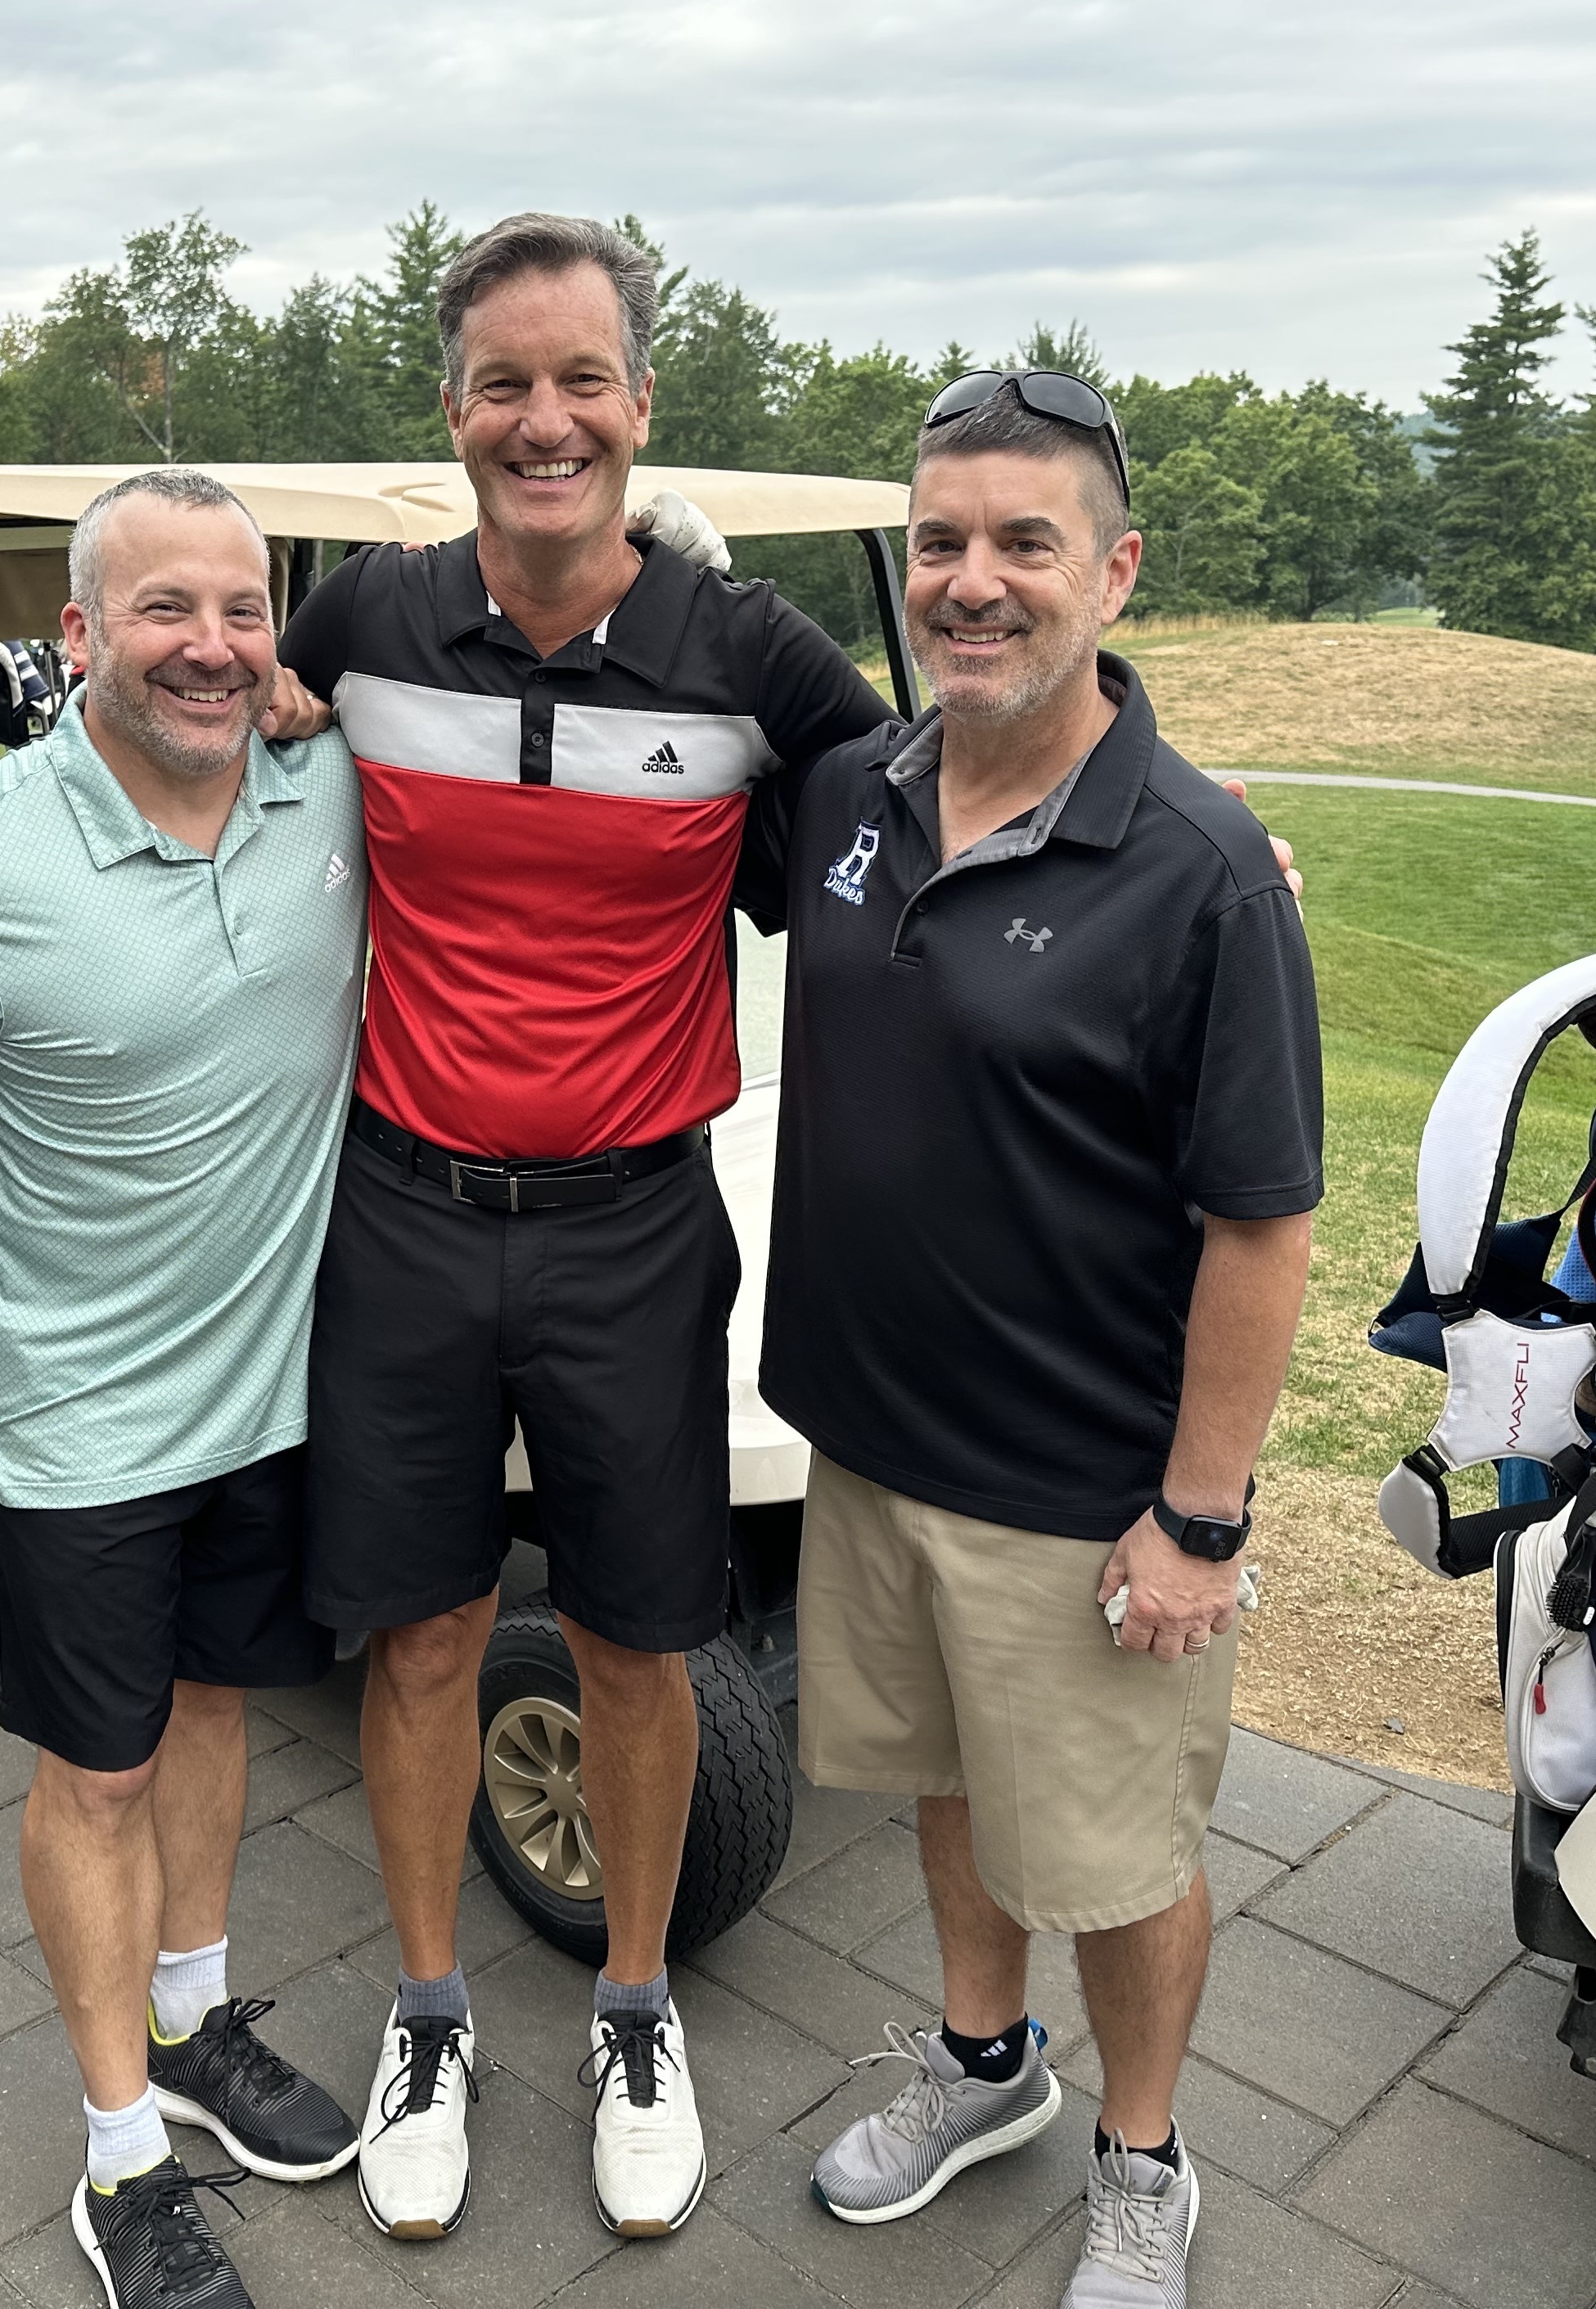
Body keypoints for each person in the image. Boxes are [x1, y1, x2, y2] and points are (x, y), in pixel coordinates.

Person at [274, 213, 902, 2244]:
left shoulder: (748, 652)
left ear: (639, 400)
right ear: (452, 410)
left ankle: (635, 2008)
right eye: (502, 384)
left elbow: (951, 795)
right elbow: (205, 741)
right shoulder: (364, 618)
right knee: (424, 1635)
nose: (542, 421)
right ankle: (429, 2014)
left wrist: (1192, 823)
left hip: (636, 1226)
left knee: (644, 1639)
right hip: (404, 1211)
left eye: (579, 381)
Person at [751, 373, 1319, 2309]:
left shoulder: (1203, 869)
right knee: (947, 1787)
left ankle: (1144, 2161)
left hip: (1082, 1498)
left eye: (1023, 543)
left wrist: (1202, 1517)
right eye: (938, 542)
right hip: (871, 1447)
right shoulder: (854, 793)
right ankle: (985, 2067)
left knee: (1118, 1859)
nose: (970, 582)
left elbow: (1263, 1224)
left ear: (1116, 571)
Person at [0, 469, 367, 2309]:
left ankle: (191, 2020)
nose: (211, 647)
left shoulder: (327, 784)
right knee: (98, 1772)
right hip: (78, 1415)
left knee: (218, 1705)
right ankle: (119, 2157)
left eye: (243, 611)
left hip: (271, 1388)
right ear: (77, 631)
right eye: (164, 608)